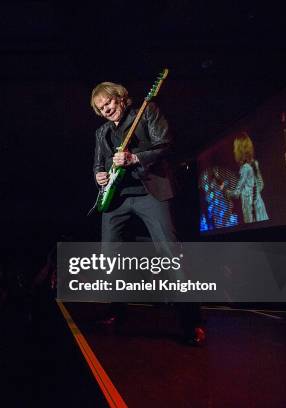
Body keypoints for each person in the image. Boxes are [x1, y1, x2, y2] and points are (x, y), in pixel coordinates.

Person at [91, 81, 205, 346]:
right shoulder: (101, 133)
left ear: (120, 98)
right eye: (101, 108)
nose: (106, 110)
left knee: (170, 254)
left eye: (108, 103)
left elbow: (165, 144)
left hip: (150, 193)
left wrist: (134, 158)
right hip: (117, 198)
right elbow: (99, 163)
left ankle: (192, 322)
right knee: (109, 256)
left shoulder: (146, 111)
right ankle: (115, 312)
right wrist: (99, 175)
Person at [224, 132, 269, 223]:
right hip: (260, 207)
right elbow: (261, 184)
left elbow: (236, 193)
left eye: (235, 148)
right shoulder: (254, 163)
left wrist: (227, 192)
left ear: (239, 149)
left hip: (250, 210)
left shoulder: (244, 168)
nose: (233, 150)